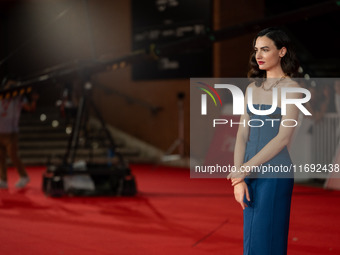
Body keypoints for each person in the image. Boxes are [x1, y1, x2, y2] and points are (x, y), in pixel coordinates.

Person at [227, 27, 300, 255]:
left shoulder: (293, 89)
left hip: (275, 173)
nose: (258, 55)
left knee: (267, 239)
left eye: (265, 49)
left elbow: (283, 138)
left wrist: (244, 169)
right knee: (251, 239)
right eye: (256, 49)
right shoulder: (251, 88)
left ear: (281, 52)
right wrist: (238, 177)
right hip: (249, 172)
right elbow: (241, 134)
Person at [0, 76, 38, 189]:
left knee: (13, 155)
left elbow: (30, 109)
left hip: (11, 133)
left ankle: (24, 176)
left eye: (14, 85)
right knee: (0, 157)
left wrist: (34, 100)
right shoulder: (1, 97)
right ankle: (3, 180)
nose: (11, 88)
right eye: (9, 85)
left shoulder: (19, 99)